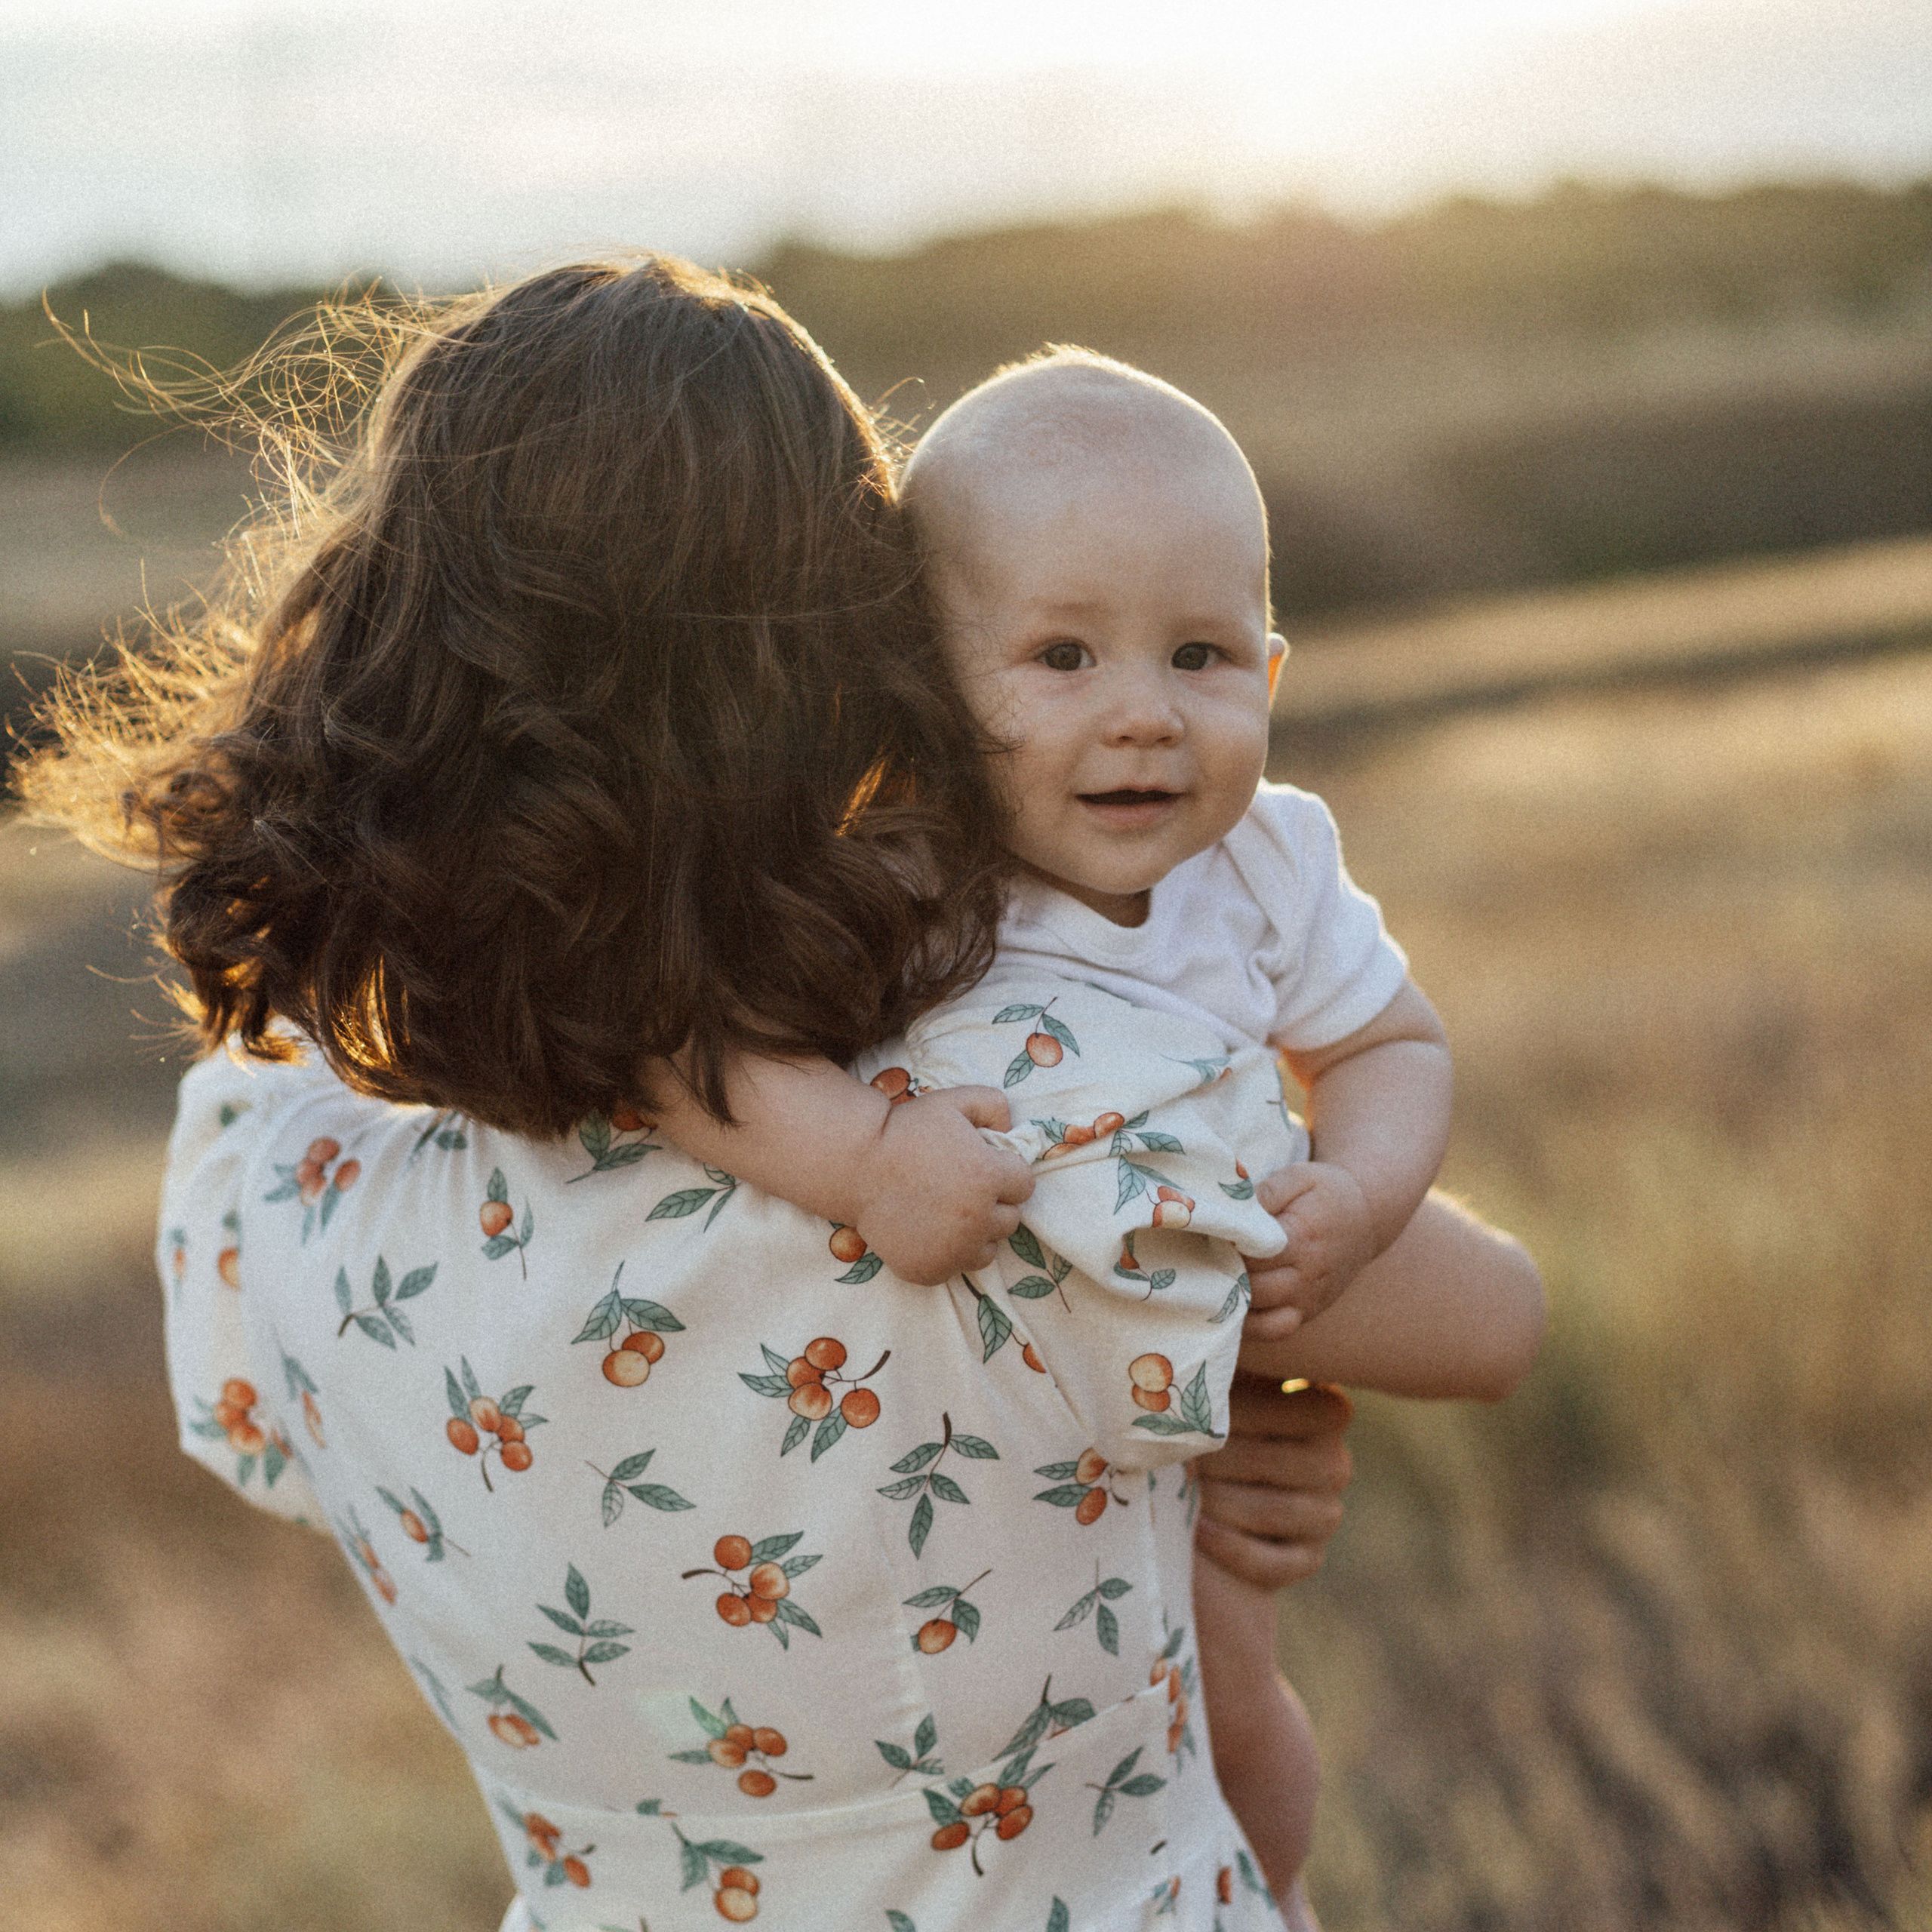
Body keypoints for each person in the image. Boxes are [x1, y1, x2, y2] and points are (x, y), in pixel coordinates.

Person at [17, 257, 1542, 1930]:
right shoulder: (1044, 1114)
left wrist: (1171, 1459)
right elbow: (1489, 1322)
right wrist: (1226, 1413)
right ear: (843, 656)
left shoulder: (279, 1149)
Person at [638, 346, 1458, 1924]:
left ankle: (1259, 1893)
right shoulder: (903, 876)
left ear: (1271, 678)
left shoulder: (1273, 863)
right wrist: (868, 1158)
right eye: (1063, 655)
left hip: (1204, 1380)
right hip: (1013, 1465)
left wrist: (1357, 1189)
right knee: (1106, 1746)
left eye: (1202, 654)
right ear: (932, 697)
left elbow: (1388, 1043)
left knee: (1240, 1713)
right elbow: (689, 1042)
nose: (1144, 713)